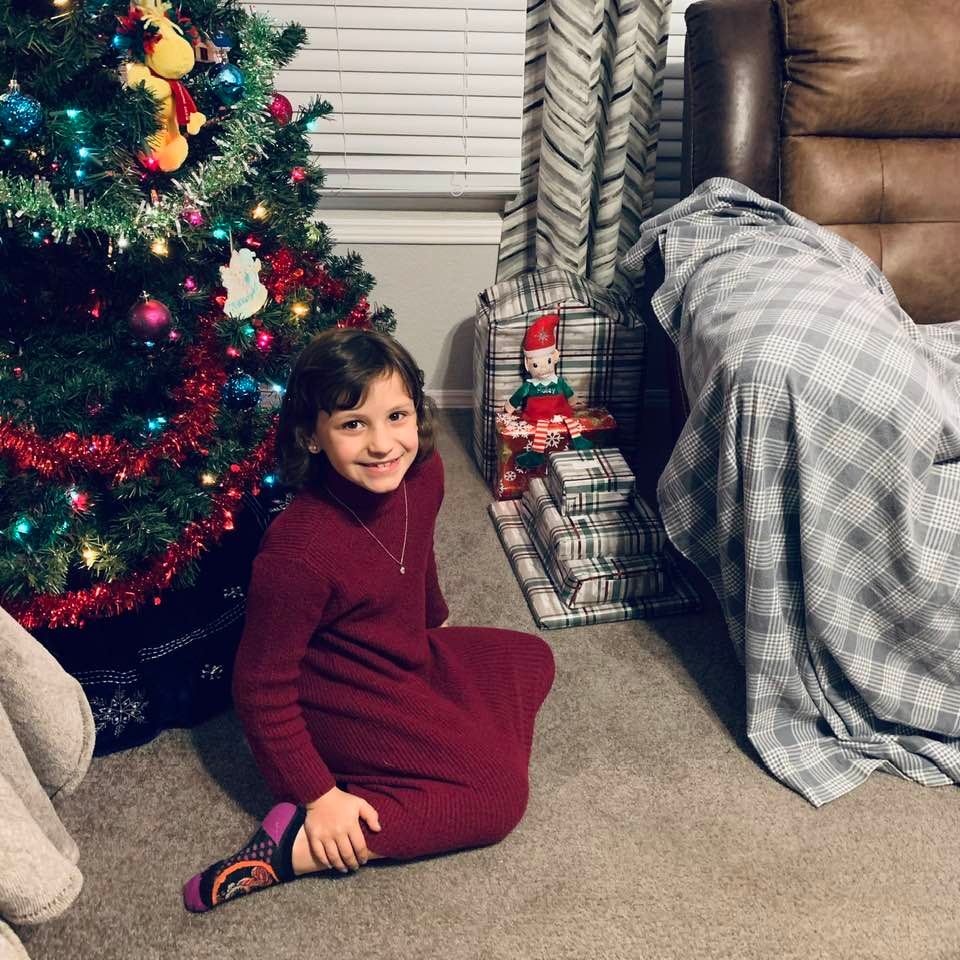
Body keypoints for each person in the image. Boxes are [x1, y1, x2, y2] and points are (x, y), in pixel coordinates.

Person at [183, 327, 555, 912]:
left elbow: (419, 556)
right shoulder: (298, 552)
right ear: (312, 436)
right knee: (498, 797)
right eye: (353, 424)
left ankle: (431, 752)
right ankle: (295, 846)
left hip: (401, 651)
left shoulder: (424, 473)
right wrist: (318, 795)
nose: (383, 445)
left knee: (531, 656)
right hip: (334, 695)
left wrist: (433, 627)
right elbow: (258, 689)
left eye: (397, 416)